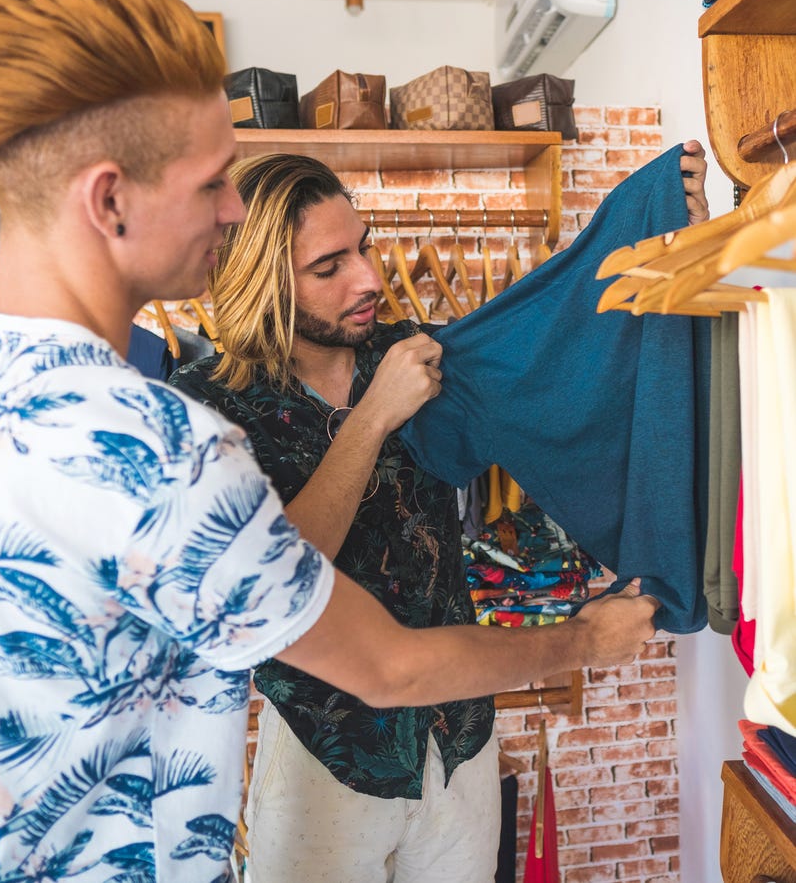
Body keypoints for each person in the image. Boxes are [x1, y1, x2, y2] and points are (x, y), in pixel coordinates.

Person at [0, 0, 658, 883]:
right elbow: (384, 668)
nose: (232, 213)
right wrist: (585, 642)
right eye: (211, 184)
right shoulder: (161, 452)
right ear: (109, 200)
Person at [170, 148, 710, 882]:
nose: (369, 278)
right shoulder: (211, 406)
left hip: (460, 736)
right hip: (327, 758)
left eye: (362, 247)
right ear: (266, 282)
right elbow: (274, 579)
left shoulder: (412, 352)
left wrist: (665, 240)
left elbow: (564, 342)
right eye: (330, 267)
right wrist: (373, 419)